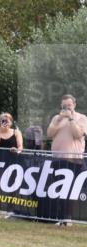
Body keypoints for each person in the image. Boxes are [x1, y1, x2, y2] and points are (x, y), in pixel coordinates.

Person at [47, 94, 87, 227]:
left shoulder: (82, 118)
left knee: (70, 190)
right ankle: (59, 217)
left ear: (74, 105)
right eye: (64, 106)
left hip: (74, 159)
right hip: (57, 158)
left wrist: (71, 119)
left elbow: (78, 134)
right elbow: (49, 134)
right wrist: (58, 120)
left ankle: (67, 218)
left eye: (69, 105)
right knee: (58, 189)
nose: (66, 108)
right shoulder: (56, 118)